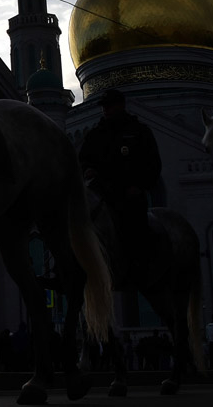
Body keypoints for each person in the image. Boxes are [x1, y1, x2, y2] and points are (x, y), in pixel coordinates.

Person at [79, 89, 162, 282]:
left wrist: (139, 186)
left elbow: (152, 165)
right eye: (104, 107)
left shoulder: (138, 132)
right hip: (103, 195)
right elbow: (82, 160)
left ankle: (140, 266)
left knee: (136, 228)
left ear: (121, 106)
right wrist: (87, 170)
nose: (106, 110)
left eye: (110, 106)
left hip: (129, 196)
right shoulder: (96, 135)